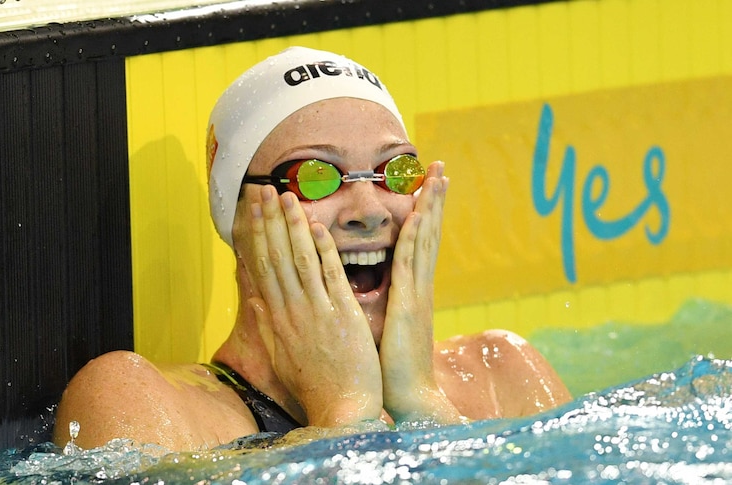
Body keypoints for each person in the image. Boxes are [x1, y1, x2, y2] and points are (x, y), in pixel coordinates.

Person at [53, 46, 572, 451]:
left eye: (397, 170)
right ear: (238, 214)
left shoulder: (502, 372)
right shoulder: (141, 404)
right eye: (316, 177)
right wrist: (345, 416)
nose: (369, 208)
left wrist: (421, 405)